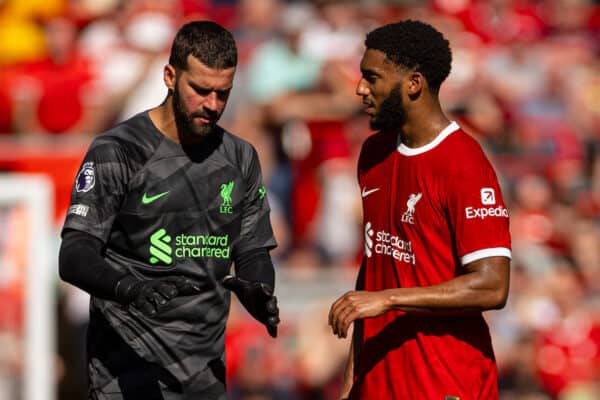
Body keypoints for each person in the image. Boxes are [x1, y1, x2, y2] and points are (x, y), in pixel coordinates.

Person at [58, 21, 280, 400]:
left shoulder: (240, 157)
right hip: (125, 377)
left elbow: (252, 250)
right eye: (200, 90)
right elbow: (74, 254)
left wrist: (259, 288)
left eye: (222, 94)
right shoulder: (117, 151)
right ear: (170, 76)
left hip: (204, 378)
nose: (212, 105)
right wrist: (130, 289)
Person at [328, 20, 511, 400]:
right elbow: (375, 269)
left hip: (446, 382)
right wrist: (350, 381)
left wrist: (390, 298)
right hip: (379, 382)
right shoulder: (374, 153)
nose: (360, 88)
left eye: (372, 77)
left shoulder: (464, 164)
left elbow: (493, 285)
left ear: (413, 84)